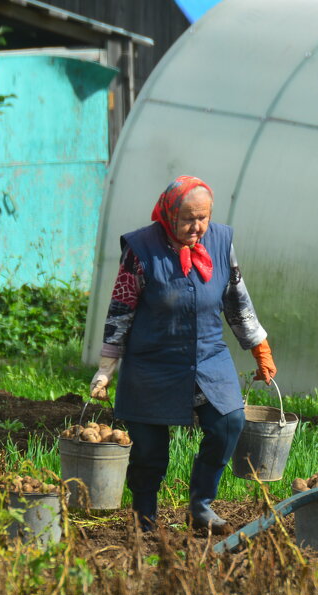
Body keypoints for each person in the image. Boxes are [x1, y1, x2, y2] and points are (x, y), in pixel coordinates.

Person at [89, 175, 276, 533]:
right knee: (148, 449)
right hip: (152, 360)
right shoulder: (142, 250)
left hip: (208, 354)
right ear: (169, 213)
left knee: (228, 423)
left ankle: (201, 505)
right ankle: (144, 518)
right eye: (188, 219)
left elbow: (236, 300)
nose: (197, 227)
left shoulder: (220, 242)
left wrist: (260, 349)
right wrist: (105, 368)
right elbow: (121, 310)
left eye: (203, 217)